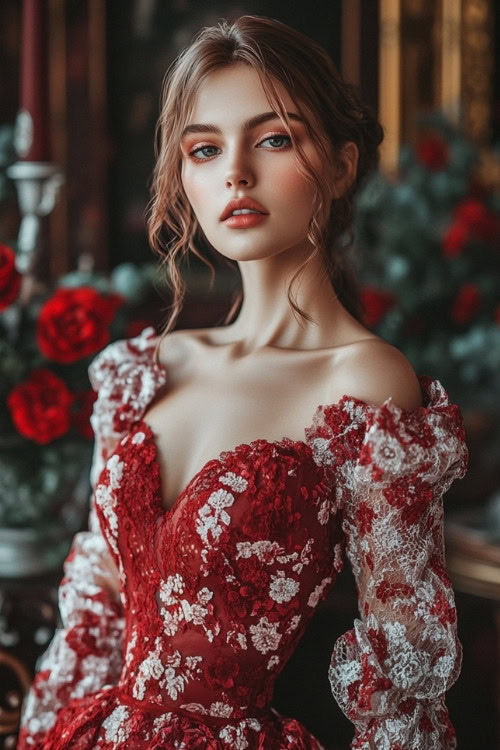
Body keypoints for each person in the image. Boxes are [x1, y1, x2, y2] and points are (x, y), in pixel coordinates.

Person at [18, 15, 468, 750]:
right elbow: (93, 612)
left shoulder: (364, 385)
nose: (235, 172)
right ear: (183, 176)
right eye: (204, 148)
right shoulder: (145, 371)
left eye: (274, 139)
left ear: (343, 164)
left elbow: (402, 662)